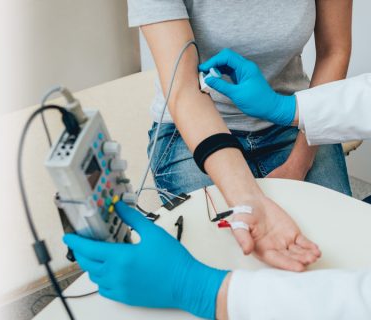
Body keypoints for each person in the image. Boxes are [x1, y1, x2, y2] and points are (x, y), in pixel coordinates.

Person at [65, 0, 371, 318]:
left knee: (317, 259)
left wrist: (207, 292)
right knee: (216, 248)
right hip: (201, 132)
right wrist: (293, 111)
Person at [129, 0, 354, 273]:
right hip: (192, 126)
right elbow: (184, 89)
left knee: (337, 254)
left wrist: (300, 162)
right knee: (226, 263)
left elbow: (335, 50)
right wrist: (248, 198)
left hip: (290, 116)